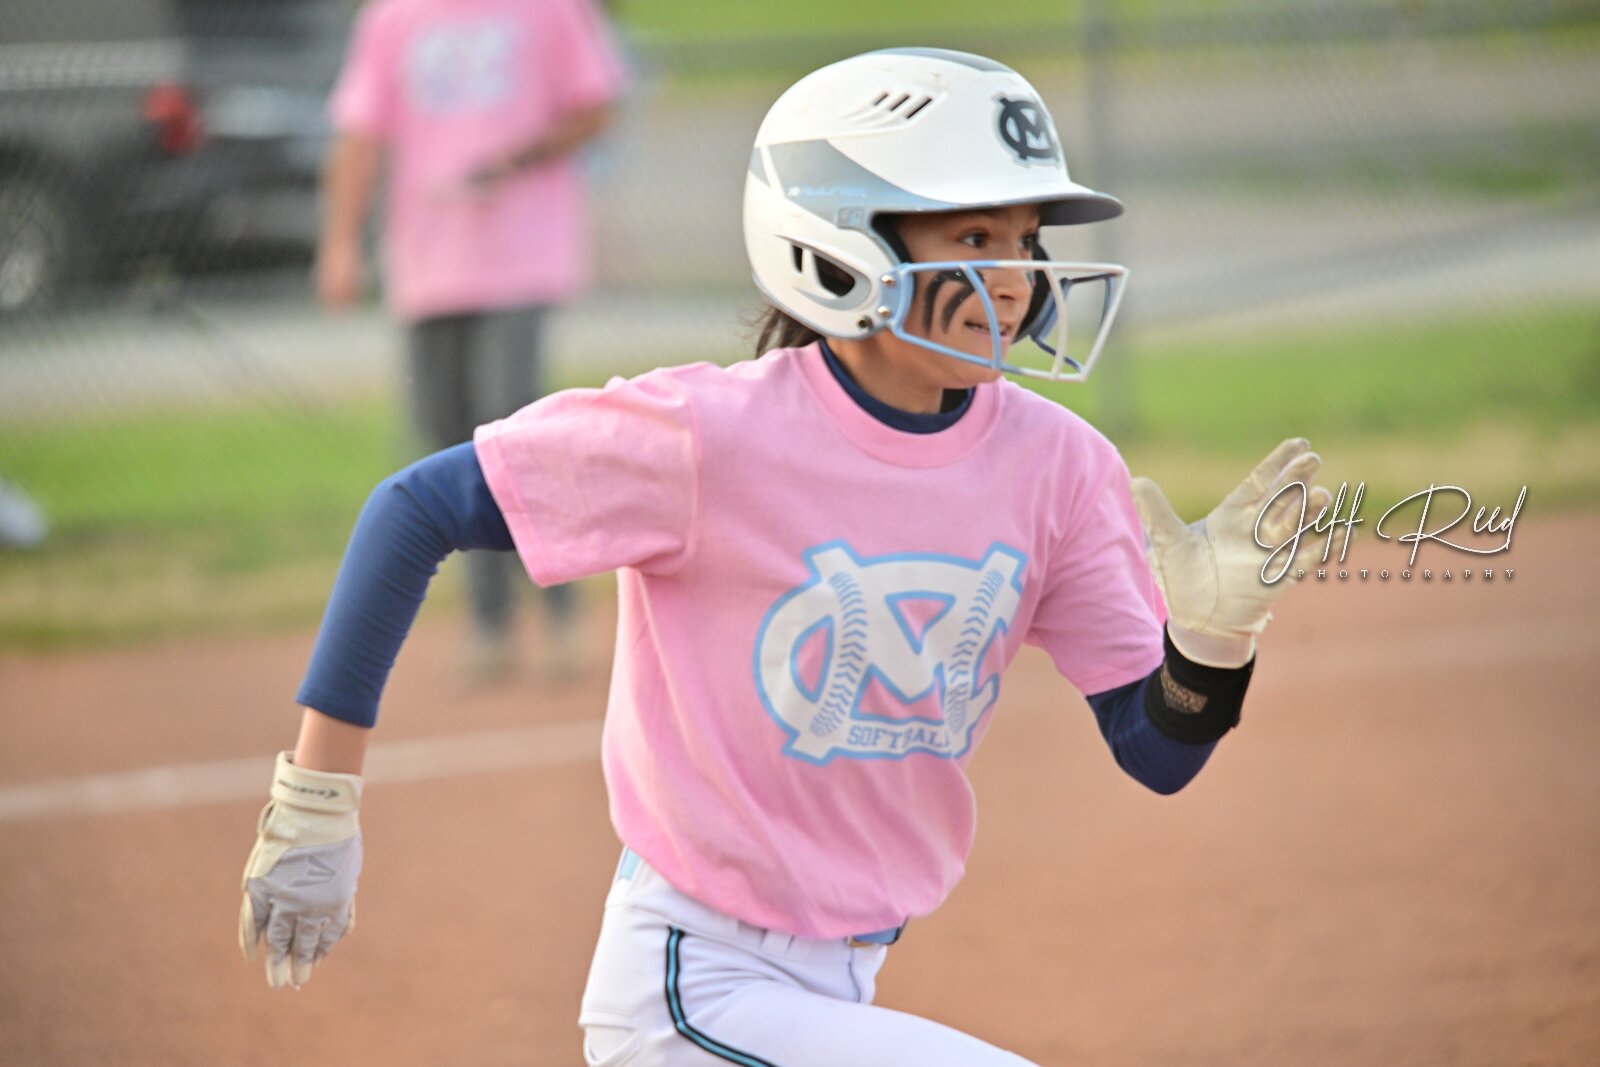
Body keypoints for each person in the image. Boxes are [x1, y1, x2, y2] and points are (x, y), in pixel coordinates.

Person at [243, 48, 1332, 1065]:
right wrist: (316, 801)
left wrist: (1211, 645)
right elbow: (412, 510)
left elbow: (1155, 750)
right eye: (973, 238)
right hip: (691, 989)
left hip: (839, 980)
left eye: (1024, 239)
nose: (1014, 278)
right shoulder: (708, 438)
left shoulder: (1059, 466)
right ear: (837, 246)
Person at [316, 0, 627, 679]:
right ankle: (491, 625)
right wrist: (340, 244)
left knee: (514, 436)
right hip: (426, 266)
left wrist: (520, 155)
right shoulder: (393, 17)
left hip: (520, 262)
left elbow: (596, 107)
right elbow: (359, 136)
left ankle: (560, 609)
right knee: (449, 446)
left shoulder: (549, 10)